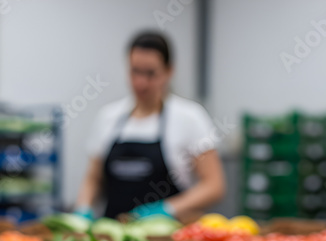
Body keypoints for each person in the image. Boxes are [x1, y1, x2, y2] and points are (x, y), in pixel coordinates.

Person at [74, 31, 226, 221]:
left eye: (150, 73)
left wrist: (168, 208)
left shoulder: (190, 118)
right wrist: (83, 209)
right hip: (112, 238)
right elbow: (93, 178)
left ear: (169, 71)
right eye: (135, 71)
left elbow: (214, 186)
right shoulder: (108, 117)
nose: (141, 83)